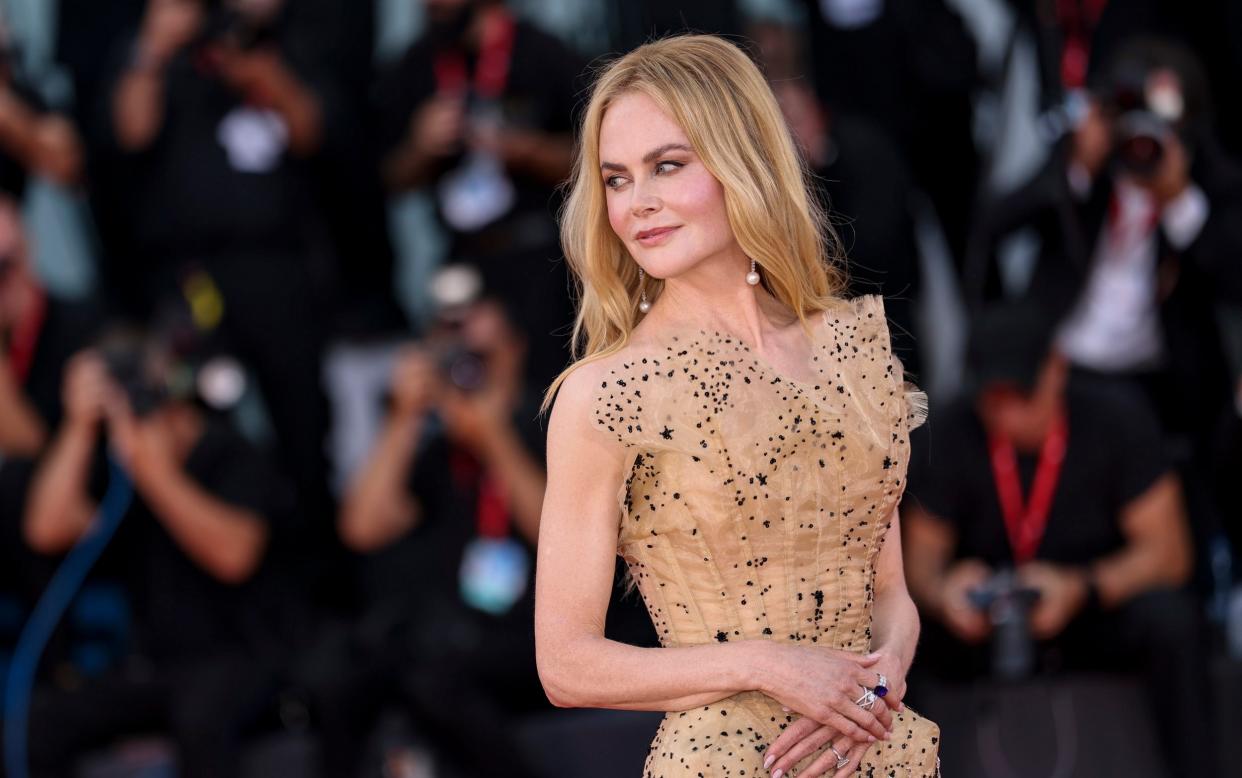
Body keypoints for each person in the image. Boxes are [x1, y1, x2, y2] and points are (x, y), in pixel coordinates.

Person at [534, 35, 939, 778]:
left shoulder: (853, 352)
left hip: (873, 751)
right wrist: (769, 665)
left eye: (667, 166)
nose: (638, 203)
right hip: (727, 763)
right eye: (616, 179)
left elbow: (892, 597)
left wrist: (877, 686)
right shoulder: (605, 394)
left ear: (740, 160)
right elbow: (565, 665)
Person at [903, 304, 1208, 776]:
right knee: (905, 634)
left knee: (1173, 621)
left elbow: (1171, 555)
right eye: (994, 398)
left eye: (1022, 395)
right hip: (986, 621)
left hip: (1086, 606)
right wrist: (946, 593)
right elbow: (919, 564)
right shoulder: (953, 428)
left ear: (1057, 369)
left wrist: (1082, 587)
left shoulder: (1116, 416)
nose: (1008, 415)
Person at [20, 329, 300, 778]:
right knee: (40, 723)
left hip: (243, 656)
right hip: (157, 666)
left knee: (201, 720)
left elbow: (234, 556)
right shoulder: (118, 468)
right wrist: (78, 426)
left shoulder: (230, 451)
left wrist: (155, 474)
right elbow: (45, 529)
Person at [373, 0, 587, 386]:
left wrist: (528, 150)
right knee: (464, 391)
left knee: (548, 392)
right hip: (461, 260)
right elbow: (388, 178)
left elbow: (596, 160)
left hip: (543, 260)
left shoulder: (543, 52)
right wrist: (420, 147)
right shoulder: (418, 61)